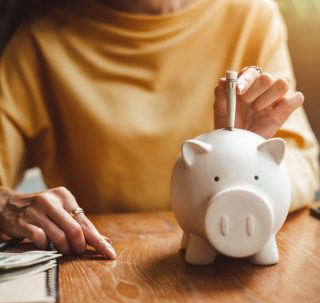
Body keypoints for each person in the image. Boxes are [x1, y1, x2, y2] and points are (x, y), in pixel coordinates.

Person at [0, 0, 319, 259]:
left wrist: (245, 160)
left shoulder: (251, 16)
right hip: (103, 267)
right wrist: (6, 204)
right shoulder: (38, 45)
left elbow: (303, 162)